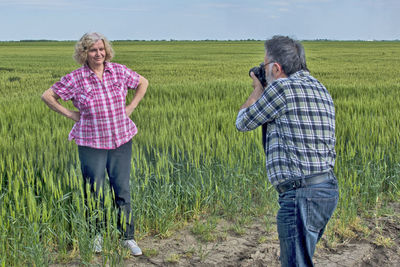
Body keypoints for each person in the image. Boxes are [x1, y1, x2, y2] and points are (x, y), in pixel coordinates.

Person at [42, 32, 148, 256]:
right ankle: (96, 236)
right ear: (84, 53)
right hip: (91, 143)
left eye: (101, 49)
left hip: (121, 139)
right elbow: (48, 96)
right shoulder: (75, 78)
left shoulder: (118, 70)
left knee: (122, 190)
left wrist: (130, 109)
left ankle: (127, 237)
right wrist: (70, 114)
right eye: (92, 50)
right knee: (94, 191)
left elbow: (143, 83)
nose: (98, 54)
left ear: (106, 50)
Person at [236, 35, 339, 267]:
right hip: (326, 191)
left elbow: (243, 121)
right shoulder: (319, 87)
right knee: (301, 259)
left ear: (276, 67)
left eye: (264, 65)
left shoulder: (282, 88)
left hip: (300, 196)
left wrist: (257, 90)